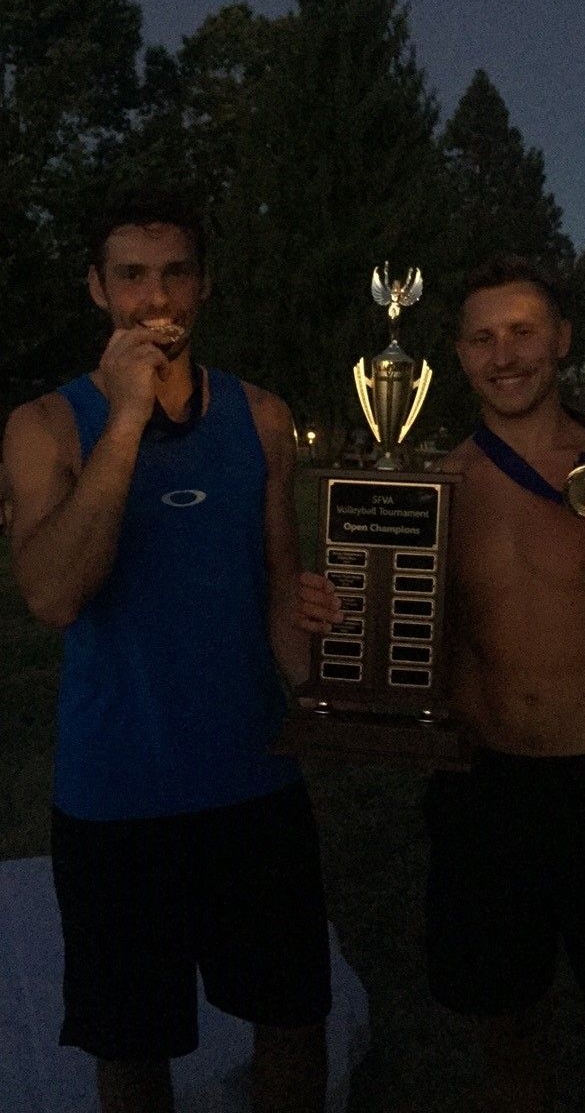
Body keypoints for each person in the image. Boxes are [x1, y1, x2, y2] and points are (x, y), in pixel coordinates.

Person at [299, 254, 585, 1112]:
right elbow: (400, 657)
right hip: (485, 795)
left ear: (561, 340)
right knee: (508, 1034)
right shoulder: (438, 491)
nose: (505, 354)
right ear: (456, 355)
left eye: (523, 331)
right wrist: (350, 613)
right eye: (483, 337)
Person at [2, 190, 331, 1113]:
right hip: (118, 795)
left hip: (256, 780)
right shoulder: (47, 427)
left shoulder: (261, 417)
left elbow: (279, 585)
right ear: (97, 289)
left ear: (204, 285)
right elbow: (56, 594)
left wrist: (340, 697)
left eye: (175, 272)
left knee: (295, 1019)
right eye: (132, 276)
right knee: (131, 1047)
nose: (156, 299)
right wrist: (126, 419)